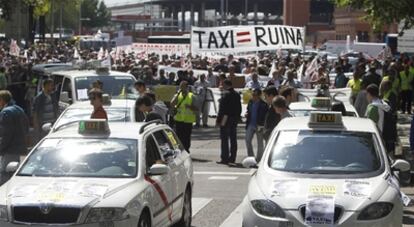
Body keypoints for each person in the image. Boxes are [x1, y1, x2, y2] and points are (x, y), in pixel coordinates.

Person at [0, 90, 29, 185]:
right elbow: (26, 127)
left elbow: (6, 135)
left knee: (5, 172)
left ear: (2, 100)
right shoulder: (19, 109)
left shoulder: (5, 112)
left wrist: (1, 148)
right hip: (19, 147)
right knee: (13, 172)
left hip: (10, 149)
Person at [217, 80, 241, 165]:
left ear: (226, 85)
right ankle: (232, 157)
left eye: (222, 85)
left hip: (225, 118)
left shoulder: (225, 94)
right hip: (234, 118)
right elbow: (239, 107)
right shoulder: (237, 94)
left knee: (224, 138)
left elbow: (222, 108)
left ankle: (225, 157)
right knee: (233, 138)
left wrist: (219, 120)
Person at [171, 81, 197, 152]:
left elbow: (197, 108)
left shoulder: (192, 96)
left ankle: (186, 149)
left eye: (183, 86)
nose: (181, 88)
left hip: (188, 120)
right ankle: (179, 149)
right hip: (178, 120)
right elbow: (172, 104)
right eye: (180, 86)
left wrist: (190, 107)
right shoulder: (177, 95)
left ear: (187, 87)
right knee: (178, 136)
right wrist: (177, 94)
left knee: (186, 137)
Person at [245, 89, 268, 162]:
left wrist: (263, 125)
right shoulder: (250, 102)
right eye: (253, 95)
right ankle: (251, 156)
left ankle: (259, 158)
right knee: (247, 140)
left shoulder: (264, 104)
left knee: (260, 143)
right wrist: (247, 114)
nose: (253, 97)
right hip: (250, 124)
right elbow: (248, 111)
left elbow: (266, 116)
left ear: (259, 96)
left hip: (259, 125)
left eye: (255, 95)